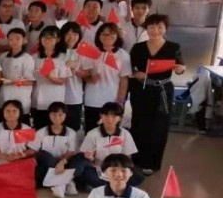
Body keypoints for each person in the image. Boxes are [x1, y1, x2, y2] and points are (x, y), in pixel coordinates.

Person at [129, 14, 185, 175]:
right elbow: (131, 68)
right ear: (146, 28)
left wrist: (180, 69)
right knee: (139, 124)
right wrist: (136, 73)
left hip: (163, 90)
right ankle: (136, 159)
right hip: (142, 90)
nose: (155, 30)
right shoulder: (138, 47)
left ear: (166, 29)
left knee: (159, 126)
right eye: (152, 26)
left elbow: (181, 66)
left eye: (160, 27)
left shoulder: (174, 47)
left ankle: (151, 162)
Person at [72, 102, 144, 188]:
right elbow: (87, 158)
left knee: (138, 177)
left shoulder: (125, 134)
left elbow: (127, 157)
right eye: (106, 115)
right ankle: (114, 185)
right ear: (101, 116)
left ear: (120, 118)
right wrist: (90, 157)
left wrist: (119, 169)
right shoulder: (92, 134)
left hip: (118, 168)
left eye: (114, 116)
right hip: (99, 168)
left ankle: (105, 185)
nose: (109, 119)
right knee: (88, 174)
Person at [83, 23, 132, 132]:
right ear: (99, 36)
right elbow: (84, 76)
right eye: (104, 34)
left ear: (117, 35)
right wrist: (90, 78)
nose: (107, 36)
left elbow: (124, 80)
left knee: (110, 132)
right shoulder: (91, 52)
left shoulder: (123, 55)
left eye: (111, 34)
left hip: (112, 100)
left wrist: (120, 101)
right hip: (92, 99)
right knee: (91, 131)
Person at [28, 102, 77, 198]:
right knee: (43, 154)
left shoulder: (71, 133)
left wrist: (62, 162)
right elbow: (33, 150)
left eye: (60, 115)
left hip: (63, 164)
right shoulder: (41, 132)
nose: (57, 117)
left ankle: (59, 183)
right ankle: (63, 182)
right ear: (49, 115)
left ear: (65, 115)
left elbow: (70, 152)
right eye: (53, 114)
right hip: (46, 164)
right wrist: (21, 154)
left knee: (77, 159)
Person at [31, 26, 71, 130]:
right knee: (39, 129)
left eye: (51, 37)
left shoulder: (63, 57)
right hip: (37, 99)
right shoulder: (34, 57)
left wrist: (48, 76)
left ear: (58, 39)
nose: (47, 40)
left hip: (55, 99)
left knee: (53, 129)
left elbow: (62, 81)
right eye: (45, 37)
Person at [0, 28, 34, 125]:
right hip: (5, 96)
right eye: (11, 39)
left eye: (18, 38)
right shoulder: (3, 57)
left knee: (21, 126)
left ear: (24, 40)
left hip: (21, 98)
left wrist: (12, 82)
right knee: (4, 125)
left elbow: (30, 81)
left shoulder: (27, 58)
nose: (14, 41)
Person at [58, 22, 88, 131]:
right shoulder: (56, 52)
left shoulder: (82, 52)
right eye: (68, 34)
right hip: (56, 96)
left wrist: (75, 68)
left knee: (72, 129)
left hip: (74, 97)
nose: (71, 37)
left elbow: (86, 74)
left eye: (75, 34)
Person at [0, 100, 35, 165]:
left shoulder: (27, 129)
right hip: (1, 161)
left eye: (14, 111)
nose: (11, 113)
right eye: (7, 111)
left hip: (21, 160)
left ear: (20, 113)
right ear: (3, 112)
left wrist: (22, 155)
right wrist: (6, 157)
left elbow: (32, 149)